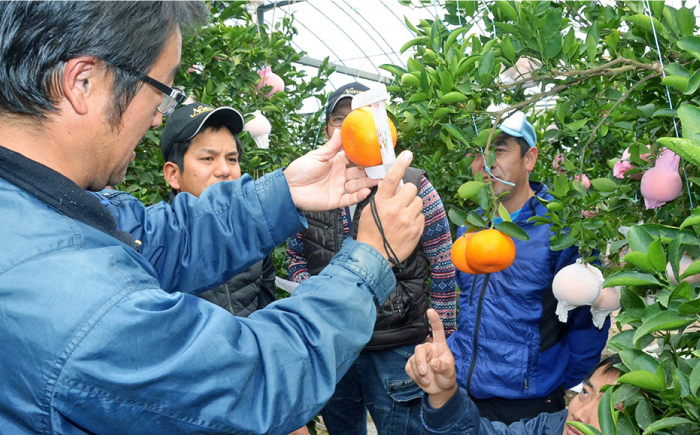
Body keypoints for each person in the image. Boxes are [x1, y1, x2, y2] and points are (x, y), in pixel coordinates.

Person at [0, 3, 427, 434]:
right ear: (83, 81)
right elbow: (253, 382)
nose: (156, 118)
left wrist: (284, 194)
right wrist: (370, 258)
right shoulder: (72, 300)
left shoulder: (40, 206)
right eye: (162, 91)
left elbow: (155, 238)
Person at [286, 82, 457, 435]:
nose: (349, 125)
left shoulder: (412, 186)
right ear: (328, 129)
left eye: (360, 117)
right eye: (338, 118)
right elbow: (296, 257)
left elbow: (442, 263)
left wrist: (442, 333)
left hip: (396, 346)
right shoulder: (311, 191)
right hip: (334, 346)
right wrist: (311, 293)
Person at [448, 111, 610, 424]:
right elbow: (468, 303)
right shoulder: (470, 226)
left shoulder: (559, 230)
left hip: (527, 403)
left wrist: (561, 380)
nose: (486, 162)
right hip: (465, 392)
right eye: (477, 151)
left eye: (499, 149)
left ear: (529, 158)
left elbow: (589, 316)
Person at [406, 309, 623, 435]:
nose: (580, 414)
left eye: (612, 409)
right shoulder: (550, 428)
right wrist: (443, 395)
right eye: (585, 393)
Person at [160, 102, 277, 318]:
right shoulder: (157, 245)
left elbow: (267, 315)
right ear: (173, 175)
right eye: (208, 158)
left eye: (232, 159)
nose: (224, 170)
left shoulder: (254, 235)